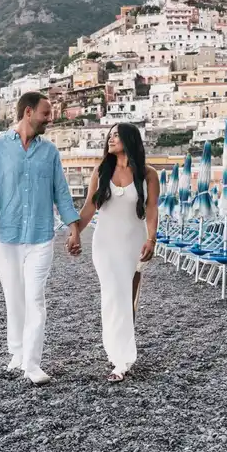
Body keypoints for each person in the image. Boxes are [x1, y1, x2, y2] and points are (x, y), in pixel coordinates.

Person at [0, 91, 81, 385]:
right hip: (7, 236)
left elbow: (61, 192)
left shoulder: (50, 153)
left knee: (35, 298)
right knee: (14, 299)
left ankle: (32, 364)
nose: (50, 118)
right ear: (28, 113)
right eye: (46, 113)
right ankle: (17, 353)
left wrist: (74, 227)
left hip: (40, 236)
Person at [78, 123, 159, 382]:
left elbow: (152, 209)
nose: (111, 139)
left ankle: (121, 353)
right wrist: (75, 232)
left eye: (116, 135)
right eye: (109, 135)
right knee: (113, 295)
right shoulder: (102, 171)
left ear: (129, 139)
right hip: (105, 243)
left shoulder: (148, 175)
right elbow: (90, 206)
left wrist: (151, 239)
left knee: (127, 298)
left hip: (134, 243)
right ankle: (119, 360)